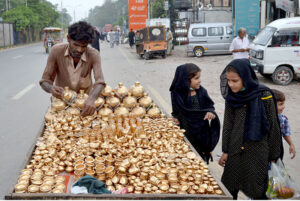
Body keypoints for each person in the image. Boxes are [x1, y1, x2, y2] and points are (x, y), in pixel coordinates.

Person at [219, 59, 282, 199]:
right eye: (228, 80)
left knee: (257, 189)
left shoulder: (264, 94)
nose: (230, 84)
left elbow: (273, 127)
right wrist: (226, 151)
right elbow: (228, 125)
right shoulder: (231, 96)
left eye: (234, 81)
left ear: (246, 77)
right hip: (235, 150)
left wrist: (274, 156)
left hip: (257, 151)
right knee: (229, 187)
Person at [40, 21, 106, 117]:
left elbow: (100, 81)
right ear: (68, 39)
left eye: (83, 46)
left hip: (85, 106)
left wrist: (92, 98)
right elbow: (44, 81)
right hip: (61, 105)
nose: (79, 50)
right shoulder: (56, 51)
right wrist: (51, 89)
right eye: (76, 45)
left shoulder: (93, 54)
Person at [170, 63, 220, 163]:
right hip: (187, 131)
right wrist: (175, 118)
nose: (199, 81)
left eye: (199, 77)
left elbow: (209, 106)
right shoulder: (177, 94)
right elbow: (176, 112)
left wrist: (210, 112)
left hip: (202, 131)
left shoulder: (202, 92)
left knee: (201, 158)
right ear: (186, 80)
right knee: (189, 158)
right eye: (196, 78)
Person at [272, 89, 296, 159]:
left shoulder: (283, 119)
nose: (284, 106)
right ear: (271, 105)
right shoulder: (262, 119)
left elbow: (285, 133)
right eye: (280, 104)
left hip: (277, 149)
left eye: (283, 103)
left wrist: (291, 144)